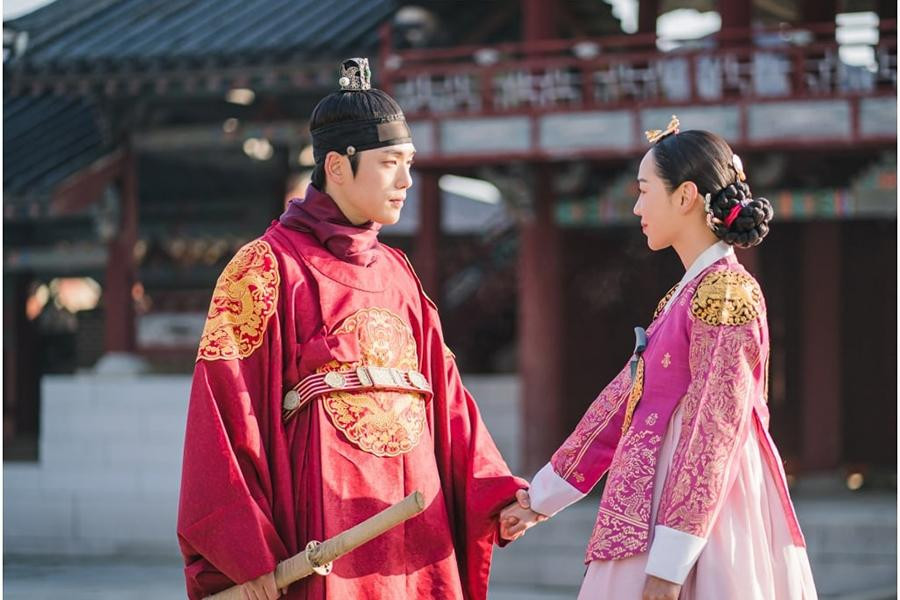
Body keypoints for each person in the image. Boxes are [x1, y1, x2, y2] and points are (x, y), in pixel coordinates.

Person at [177, 57, 527, 600]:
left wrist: (494, 492)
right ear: (338, 167)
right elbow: (225, 417)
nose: (406, 181)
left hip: (419, 522)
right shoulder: (264, 268)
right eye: (389, 163)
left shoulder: (399, 273)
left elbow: (449, 400)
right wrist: (249, 555)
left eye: (409, 163)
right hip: (323, 531)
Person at [500, 117, 818, 600]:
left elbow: (714, 426)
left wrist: (671, 563)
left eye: (645, 190)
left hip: (707, 514)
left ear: (685, 195)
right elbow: (622, 401)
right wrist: (539, 499)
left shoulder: (726, 292)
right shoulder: (686, 294)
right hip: (656, 491)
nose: (636, 206)